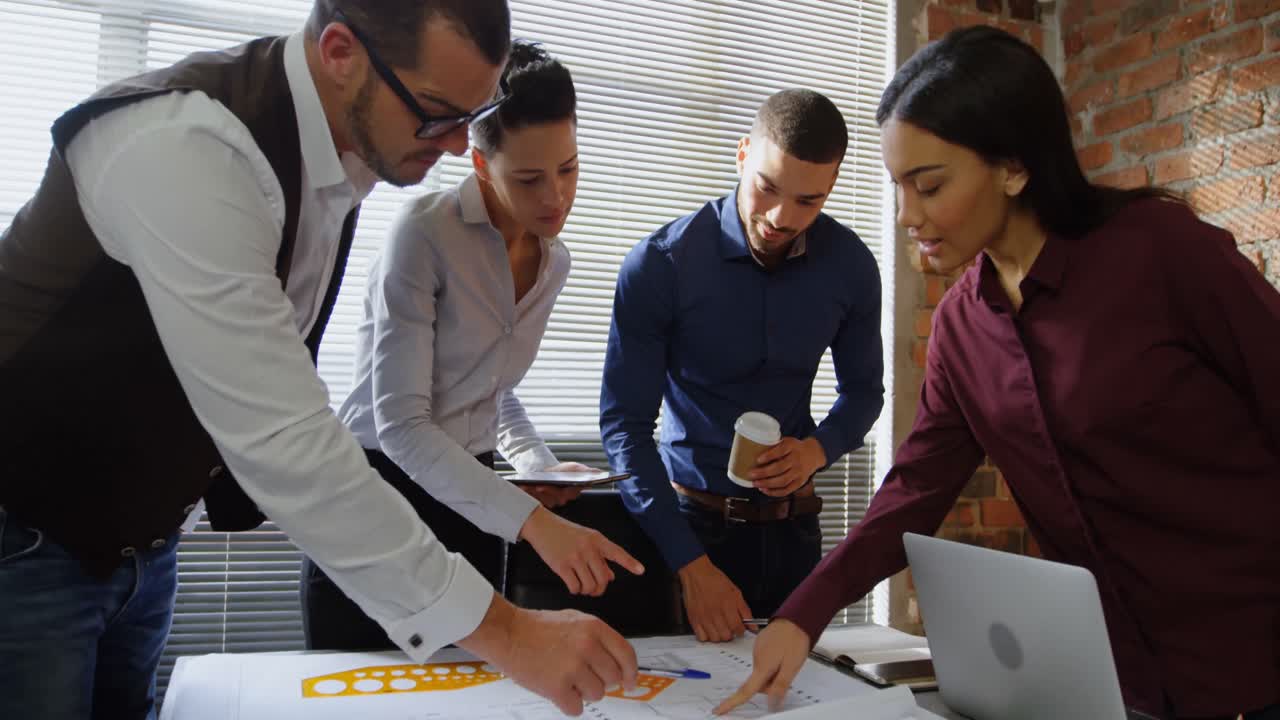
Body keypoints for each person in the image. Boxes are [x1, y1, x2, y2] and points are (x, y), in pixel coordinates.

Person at [0, 3, 638, 718]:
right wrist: (513, 634)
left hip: (141, 544)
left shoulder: (345, 159)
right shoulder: (186, 149)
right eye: (436, 113)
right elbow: (280, 433)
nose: (462, 147)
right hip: (27, 537)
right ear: (341, 52)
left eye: (474, 114)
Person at [716, 26, 1280, 720]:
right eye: (898, 188)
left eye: (927, 186)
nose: (906, 216)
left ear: (1013, 167)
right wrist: (803, 615)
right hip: (1113, 679)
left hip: (1252, 658)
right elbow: (917, 488)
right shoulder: (961, 325)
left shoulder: (1163, 253)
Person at [303, 40, 643, 651]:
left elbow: (492, 389)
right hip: (380, 493)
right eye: (530, 178)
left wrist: (537, 469)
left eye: (568, 169)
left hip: (474, 497)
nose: (555, 198)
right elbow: (404, 426)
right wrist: (534, 523)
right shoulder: (423, 234)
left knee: (476, 696)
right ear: (482, 166)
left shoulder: (552, 263)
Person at [600, 89, 885, 644]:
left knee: (796, 700)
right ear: (741, 154)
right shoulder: (660, 264)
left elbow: (864, 393)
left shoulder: (851, 267)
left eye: (808, 201)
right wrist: (691, 566)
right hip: (686, 533)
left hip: (795, 534)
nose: (782, 218)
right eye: (767, 188)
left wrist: (817, 450)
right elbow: (624, 428)